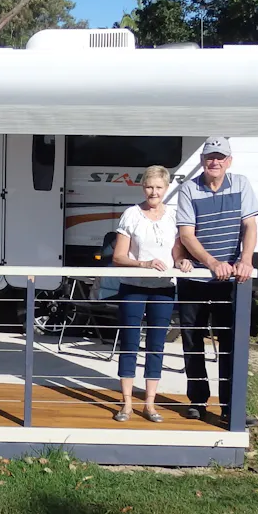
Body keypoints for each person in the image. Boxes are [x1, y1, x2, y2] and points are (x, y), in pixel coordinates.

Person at [174, 137, 258, 426]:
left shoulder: (241, 184)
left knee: (230, 343)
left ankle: (230, 407)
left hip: (230, 282)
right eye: (210, 157)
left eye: (220, 157)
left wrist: (245, 260)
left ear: (229, 161)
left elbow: (249, 225)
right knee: (192, 340)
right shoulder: (188, 189)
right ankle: (197, 401)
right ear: (202, 160)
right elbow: (187, 234)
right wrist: (211, 263)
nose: (215, 162)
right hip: (196, 278)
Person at [110, 165, 179, 423]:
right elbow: (118, 256)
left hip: (164, 289)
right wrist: (144, 264)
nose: (154, 192)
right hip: (133, 286)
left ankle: (150, 404)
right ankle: (126, 404)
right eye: (149, 186)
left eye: (159, 187)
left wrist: (182, 261)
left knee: (156, 345)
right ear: (143, 187)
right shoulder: (131, 215)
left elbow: (178, 251)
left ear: (166, 188)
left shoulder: (173, 216)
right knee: (129, 343)